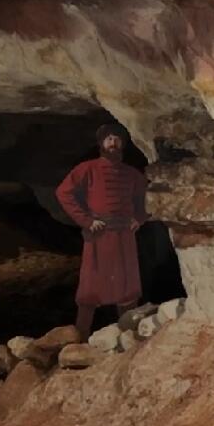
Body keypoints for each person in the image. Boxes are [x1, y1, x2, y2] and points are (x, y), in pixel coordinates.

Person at [55, 124, 149, 341]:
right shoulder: (87, 169)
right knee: (91, 288)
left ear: (123, 143)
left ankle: (129, 337)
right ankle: (80, 338)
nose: (113, 143)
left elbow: (147, 196)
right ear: (101, 143)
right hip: (99, 235)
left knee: (127, 287)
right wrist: (86, 221)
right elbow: (63, 192)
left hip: (124, 236)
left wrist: (140, 217)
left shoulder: (131, 174)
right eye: (108, 139)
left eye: (116, 139)